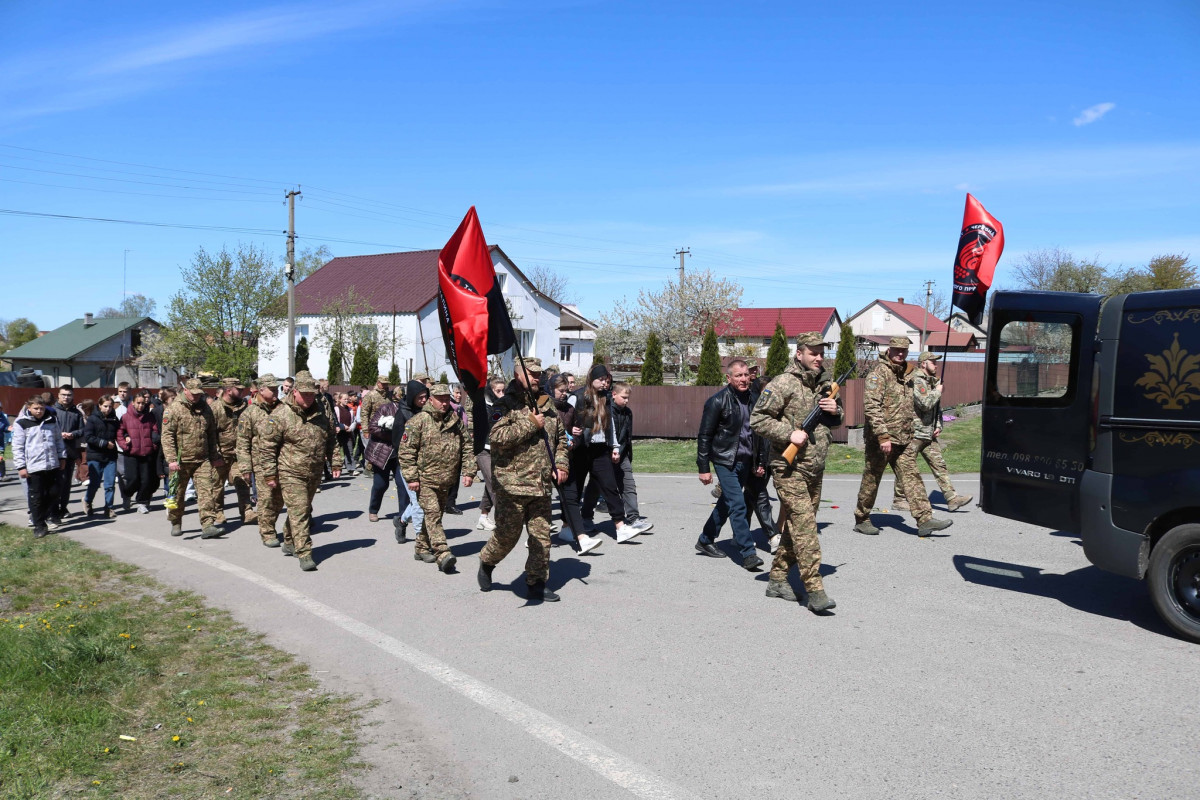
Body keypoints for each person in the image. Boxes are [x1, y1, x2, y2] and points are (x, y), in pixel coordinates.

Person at [750, 332, 843, 612]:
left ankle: (777, 578)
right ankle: (814, 589)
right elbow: (758, 419)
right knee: (805, 527)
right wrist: (789, 433)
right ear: (799, 354)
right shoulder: (783, 383)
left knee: (797, 527)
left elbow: (836, 423)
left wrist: (834, 410)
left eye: (821, 352)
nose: (819, 357)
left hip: (814, 466)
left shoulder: (826, 384)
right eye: (813, 353)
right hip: (788, 467)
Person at [477, 358, 570, 602]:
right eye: (531, 374)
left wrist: (561, 463)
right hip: (512, 484)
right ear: (519, 374)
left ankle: (536, 583)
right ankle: (487, 561)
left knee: (541, 538)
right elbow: (497, 437)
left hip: (541, 484)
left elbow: (560, 439)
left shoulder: (547, 405)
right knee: (508, 535)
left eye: (539, 374)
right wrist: (530, 424)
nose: (537, 378)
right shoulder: (504, 405)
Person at [853, 337, 953, 538]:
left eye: (904, 351)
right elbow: (872, 407)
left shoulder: (910, 373)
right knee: (872, 479)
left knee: (911, 476)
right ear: (889, 350)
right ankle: (862, 518)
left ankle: (924, 519)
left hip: (904, 437)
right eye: (897, 350)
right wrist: (882, 436)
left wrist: (935, 384)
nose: (900, 354)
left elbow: (924, 389)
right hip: (880, 440)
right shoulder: (879, 374)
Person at [696, 359, 775, 570]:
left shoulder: (755, 399)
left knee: (727, 503)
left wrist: (759, 462)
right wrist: (703, 468)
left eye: (746, 375)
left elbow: (758, 434)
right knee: (738, 504)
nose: (743, 379)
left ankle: (705, 540)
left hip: (746, 460)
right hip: (725, 460)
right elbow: (704, 436)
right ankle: (748, 553)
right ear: (728, 378)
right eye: (738, 375)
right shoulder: (717, 401)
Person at [260, 371, 342, 571]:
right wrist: (270, 474)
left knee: (302, 509)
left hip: (314, 471)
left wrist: (336, 462)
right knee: (300, 510)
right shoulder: (281, 414)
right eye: (304, 394)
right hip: (290, 471)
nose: (308, 398)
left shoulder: (321, 412)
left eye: (311, 394)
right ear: (294, 392)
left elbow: (331, 438)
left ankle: (289, 541)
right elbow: (267, 446)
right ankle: (304, 552)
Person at [566, 364, 651, 543]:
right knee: (576, 488)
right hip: (581, 449)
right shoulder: (578, 396)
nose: (605, 383)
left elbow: (610, 424)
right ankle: (568, 526)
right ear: (592, 379)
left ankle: (620, 527)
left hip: (600, 449)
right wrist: (569, 431)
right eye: (601, 380)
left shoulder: (605, 398)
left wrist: (614, 446)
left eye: (607, 380)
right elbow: (566, 417)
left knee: (610, 486)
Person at [398, 383, 475, 573]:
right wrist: (411, 477)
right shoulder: (419, 421)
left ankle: (421, 547)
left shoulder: (454, 420)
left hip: (446, 479)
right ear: (431, 399)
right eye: (440, 399)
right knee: (433, 514)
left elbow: (466, 445)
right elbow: (406, 452)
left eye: (446, 399)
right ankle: (442, 553)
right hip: (425, 479)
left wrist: (469, 470)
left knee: (435, 515)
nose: (444, 403)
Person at [891, 352, 974, 513]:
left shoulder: (931, 382)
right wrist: (938, 391)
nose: (936, 365)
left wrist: (938, 425)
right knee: (906, 466)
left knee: (939, 465)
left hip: (928, 433)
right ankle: (899, 500)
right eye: (933, 362)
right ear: (923, 363)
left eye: (936, 362)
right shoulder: (917, 380)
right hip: (915, 433)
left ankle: (952, 498)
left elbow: (936, 409)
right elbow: (925, 403)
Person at [583, 381, 653, 531]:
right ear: (614, 395)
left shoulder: (627, 412)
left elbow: (627, 436)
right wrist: (611, 450)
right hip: (605, 454)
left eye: (628, 398)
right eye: (624, 397)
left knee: (628, 485)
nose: (627, 401)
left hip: (623, 454)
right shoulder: (607, 410)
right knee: (595, 487)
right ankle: (586, 517)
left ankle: (634, 518)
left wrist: (626, 453)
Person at [365, 379, 428, 542]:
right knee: (381, 484)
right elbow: (373, 427)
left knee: (403, 488)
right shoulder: (385, 408)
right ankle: (373, 509)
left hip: (401, 457)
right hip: (384, 453)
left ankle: (402, 519)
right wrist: (391, 432)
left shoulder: (421, 411)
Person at [162, 378, 224, 538]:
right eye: (193, 394)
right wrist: (171, 459)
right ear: (186, 391)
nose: (196, 397)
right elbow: (167, 436)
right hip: (180, 461)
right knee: (177, 494)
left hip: (202, 460)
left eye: (199, 394)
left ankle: (208, 525)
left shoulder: (206, 409)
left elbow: (211, 434)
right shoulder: (173, 409)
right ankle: (175, 521)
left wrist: (214, 456)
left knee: (206, 493)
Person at [237, 374, 288, 548]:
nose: (276, 392)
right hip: (261, 464)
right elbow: (242, 442)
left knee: (279, 499)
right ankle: (267, 532)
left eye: (277, 389)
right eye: (272, 390)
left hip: (284, 461)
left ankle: (270, 524)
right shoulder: (249, 413)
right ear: (260, 390)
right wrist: (245, 466)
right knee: (266, 499)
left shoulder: (283, 409)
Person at [12, 395, 67, 538]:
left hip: (52, 464)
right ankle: (39, 525)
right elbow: (17, 447)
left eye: (41, 408)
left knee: (55, 492)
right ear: (28, 407)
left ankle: (42, 516)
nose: (39, 411)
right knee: (37, 497)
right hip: (34, 466)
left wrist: (62, 457)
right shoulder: (21, 423)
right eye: (36, 408)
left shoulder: (51, 419)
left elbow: (58, 440)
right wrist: (21, 467)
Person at [205, 378, 253, 525]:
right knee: (217, 486)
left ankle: (246, 511)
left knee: (243, 481)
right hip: (221, 454)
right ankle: (218, 512)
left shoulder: (244, 406)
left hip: (239, 453)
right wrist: (215, 454)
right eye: (238, 389)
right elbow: (209, 434)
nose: (242, 391)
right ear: (228, 390)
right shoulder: (215, 408)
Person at [116, 390, 160, 513]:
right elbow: (119, 433)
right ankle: (126, 494)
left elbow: (155, 431)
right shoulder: (126, 417)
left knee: (146, 480)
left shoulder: (150, 416)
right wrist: (125, 445)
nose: (141, 405)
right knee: (133, 479)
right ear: (133, 403)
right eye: (138, 403)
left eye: (143, 403)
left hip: (147, 453)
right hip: (131, 453)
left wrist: (153, 446)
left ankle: (142, 502)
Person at [473, 377, 507, 532]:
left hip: (499, 449)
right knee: (494, 483)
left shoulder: (503, 405)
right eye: (497, 391)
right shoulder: (482, 406)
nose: (501, 393)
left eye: (503, 390)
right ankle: (504, 519)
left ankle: (483, 517)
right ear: (490, 390)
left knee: (490, 482)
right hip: (484, 450)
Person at [83, 395, 122, 518]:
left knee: (110, 485)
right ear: (99, 406)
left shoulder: (114, 419)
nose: (108, 409)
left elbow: (119, 433)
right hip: (95, 456)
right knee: (94, 483)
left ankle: (108, 508)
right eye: (105, 406)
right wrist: (104, 444)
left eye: (110, 406)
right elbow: (88, 437)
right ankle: (87, 501)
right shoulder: (92, 419)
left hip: (110, 456)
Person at [52, 385, 85, 519]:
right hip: (54, 452)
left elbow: (82, 430)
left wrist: (72, 434)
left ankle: (63, 508)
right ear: (58, 395)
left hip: (69, 451)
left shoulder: (76, 412)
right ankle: (53, 510)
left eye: (69, 395)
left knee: (66, 483)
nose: (66, 397)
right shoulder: (52, 411)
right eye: (64, 394)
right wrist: (59, 434)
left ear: (73, 396)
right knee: (55, 483)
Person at [444, 383, 469, 515]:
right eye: (456, 393)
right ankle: (445, 503)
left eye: (460, 393)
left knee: (455, 477)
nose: (459, 395)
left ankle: (450, 503)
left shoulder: (460, 408)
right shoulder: (448, 408)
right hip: (448, 448)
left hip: (459, 446)